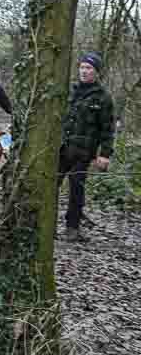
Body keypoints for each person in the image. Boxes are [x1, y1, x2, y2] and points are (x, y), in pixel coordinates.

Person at [58, 52, 115, 242]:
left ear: (96, 72)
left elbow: (107, 130)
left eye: (89, 68)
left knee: (76, 190)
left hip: (83, 153)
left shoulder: (103, 98)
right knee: (50, 186)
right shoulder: (70, 91)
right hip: (61, 149)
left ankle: (72, 229)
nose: (84, 71)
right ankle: (45, 225)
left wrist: (104, 155)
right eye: (82, 67)